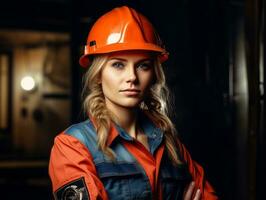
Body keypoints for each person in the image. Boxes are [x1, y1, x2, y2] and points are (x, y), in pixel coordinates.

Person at [49, 6, 218, 200]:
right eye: (118, 65)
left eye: (143, 65)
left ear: (154, 74)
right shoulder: (72, 146)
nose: (132, 77)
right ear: (98, 74)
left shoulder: (170, 144)